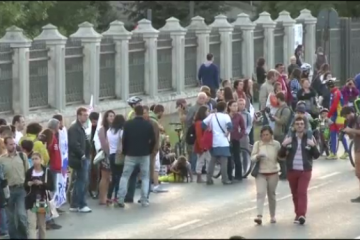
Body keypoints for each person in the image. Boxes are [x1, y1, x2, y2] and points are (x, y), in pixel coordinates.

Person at [279, 117, 320, 225]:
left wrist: (313, 146)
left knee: (302, 192)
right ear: (294, 126)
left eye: (301, 124)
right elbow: (281, 155)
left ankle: (302, 214)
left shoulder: (309, 138)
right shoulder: (289, 137)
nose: (299, 126)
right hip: (292, 170)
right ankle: (297, 214)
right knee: (294, 193)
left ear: (305, 126)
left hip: (305, 171)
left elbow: (316, 155)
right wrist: (284, 145)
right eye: (297, 124)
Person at [117, 105, 155, 207]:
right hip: (144, 154)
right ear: (143, 112)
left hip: (130, 154)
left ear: (134, 112)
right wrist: (149, 150)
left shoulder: (128, 124)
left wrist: (125, 151)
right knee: (145, 177)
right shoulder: (148, 125)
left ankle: (120, 199)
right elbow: (153, 140)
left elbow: (124, 139)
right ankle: (144, 199)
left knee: (125, 176)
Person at [251, 125, 281, 225]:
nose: (265, 137)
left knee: (271, 194)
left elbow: (281, 156)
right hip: (261, 173)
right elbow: (252, 157)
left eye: (267, 134)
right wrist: (257, 157)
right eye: (263, 135)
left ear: (271, 135)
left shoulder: (276, 144)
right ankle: (259, 216)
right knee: (260, 193)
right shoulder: (258, 144)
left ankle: (272, 216)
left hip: (273, 172)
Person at [0, 137, 29, 239]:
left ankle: (23, 236)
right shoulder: (1, 159)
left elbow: (27, 172)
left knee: (21, 215)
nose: (13, 146)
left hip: (21, 189)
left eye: (14, 144)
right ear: (5, 145)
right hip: (8, 191)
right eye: (11, 144)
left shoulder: (22, 156)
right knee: (11, 219)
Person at [24, 152, 54, 239]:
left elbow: (51, 187)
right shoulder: (29, 172)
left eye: (36, 158)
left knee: (41, 224)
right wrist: (28, 184)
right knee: (31, 224)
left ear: (41, 160)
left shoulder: (47, 172)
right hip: (31, 200)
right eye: (32, 159)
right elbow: (25, 186)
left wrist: (42, 183)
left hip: (41, 200)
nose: (34, 161)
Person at [202, 101, 233, 185]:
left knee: (213, 160)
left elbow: (203, 124)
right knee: (224, 162)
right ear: (225, 108)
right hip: (223, 141)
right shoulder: (226, 116)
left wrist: (208, 128)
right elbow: (230, 126)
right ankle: (225, 179)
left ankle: (209, 178)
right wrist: (228, 132)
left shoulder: (212, 115)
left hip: (214, 141)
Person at [68, 107, 92, 213]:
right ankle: (81, 204)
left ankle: (74, 204)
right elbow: (73, 144)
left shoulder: (82, 127)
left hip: (83, 157)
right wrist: (82, 155)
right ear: (78, 115)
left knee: (79, 181)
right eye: (84, 115)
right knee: (81, 181)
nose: (86, 117)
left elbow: (85, 142)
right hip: (79, 159)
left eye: (87, 115)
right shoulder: (74, 128)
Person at [340, 106, 360, 202]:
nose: (346, 118)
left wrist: (351, 130)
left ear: (351, 112)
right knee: (358, 173)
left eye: (346, 115)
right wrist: (347, 132)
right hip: (357, 147)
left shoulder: (358, 119)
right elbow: (353, 136)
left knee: (359, 172)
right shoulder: (351, 122)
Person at [326, 79, 349, 160]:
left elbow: (334, 106)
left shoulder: (336, 93)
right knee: (333, 134)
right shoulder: (334, 92)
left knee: (341, 134)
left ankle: (347, 151)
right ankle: (333, 152)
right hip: (334, 116)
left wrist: (328, 116)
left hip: (339, 116)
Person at [107, 114, 126, 205]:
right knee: (119, 176)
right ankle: (116, 196)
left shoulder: (109, 131)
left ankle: (109, 196)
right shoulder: (121, 132)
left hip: (111, 155)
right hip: (119, 155)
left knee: (114, 176)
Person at [272, 92, 292, 179]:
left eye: (276, 99)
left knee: (282, 155)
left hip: (282, 134)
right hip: (277, 133)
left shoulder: (286, 109)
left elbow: (283, 121)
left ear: (279, 99)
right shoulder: (280, 108)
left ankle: (285, 173)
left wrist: (274, 118)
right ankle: (284, 172)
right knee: (279, 154)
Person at [186, 92, 207, 171]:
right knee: (194, 151)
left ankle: (202, 167)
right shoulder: (193, 108)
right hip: (195, 131)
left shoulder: (207, 107)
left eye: (203, 98)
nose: (201, 100)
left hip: (204, 132)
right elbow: (188, 120)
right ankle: (194, 168)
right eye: (200, 98)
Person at [97, 110, 115, 205]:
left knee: (109, 178)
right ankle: (102, 198)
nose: (112, 118)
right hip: (106, 155)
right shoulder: (102, 129)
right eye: (110, 116)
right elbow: (104, 144)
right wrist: (109, 153)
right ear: (106, 118)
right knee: (104, 177)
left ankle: (106, 196)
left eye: (113, 116)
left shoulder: (114, 128)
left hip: (112, 155)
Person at [228, 100, 245, 181]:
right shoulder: (226, 116)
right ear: (229, 107)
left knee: (237, 157)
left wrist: (240, 135)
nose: (235, 107)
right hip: (227, 140)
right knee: (228, 158)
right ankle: (229, 175)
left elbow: (243, 127)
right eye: (233, 106)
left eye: (236, 106)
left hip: (235, 139)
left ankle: (239, 175)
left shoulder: (239, 116)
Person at [194, 105, 211, 183]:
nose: (208, 112)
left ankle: (207, 176)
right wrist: (202, 147)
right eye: (207, 111)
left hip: (205, 145)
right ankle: (199, 177)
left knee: (207, 160)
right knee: (201, 160)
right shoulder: (199, 123)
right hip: (202, 145)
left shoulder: (203, 122)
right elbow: (199, 136)